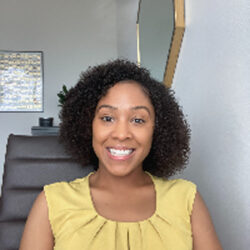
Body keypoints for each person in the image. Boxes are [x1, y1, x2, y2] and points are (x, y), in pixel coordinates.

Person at [20, 59, 222, 250]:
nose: (122, 134)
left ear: (157, 130)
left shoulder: (186, 199)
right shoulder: (51, 203)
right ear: (87, 125)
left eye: (138, 120)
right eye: (107, 118)